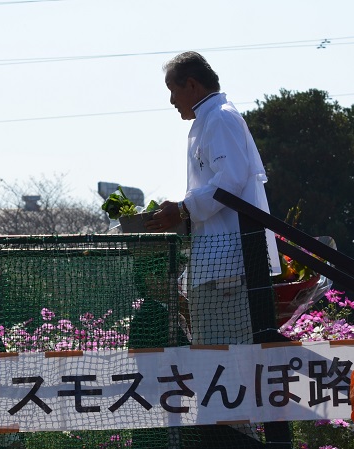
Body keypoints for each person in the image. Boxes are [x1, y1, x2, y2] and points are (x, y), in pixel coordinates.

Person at [142, 51, 280, 449]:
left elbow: (231, 179)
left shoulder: (219, 117)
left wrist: (182, 210)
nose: (171, 102)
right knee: (216, 365)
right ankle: (228, 437)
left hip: (230, 267)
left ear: (192, 85)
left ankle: (235, 440)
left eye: (173, 90)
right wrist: (183, 213)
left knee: (225, 366)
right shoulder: (209, 120)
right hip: (218, 264)